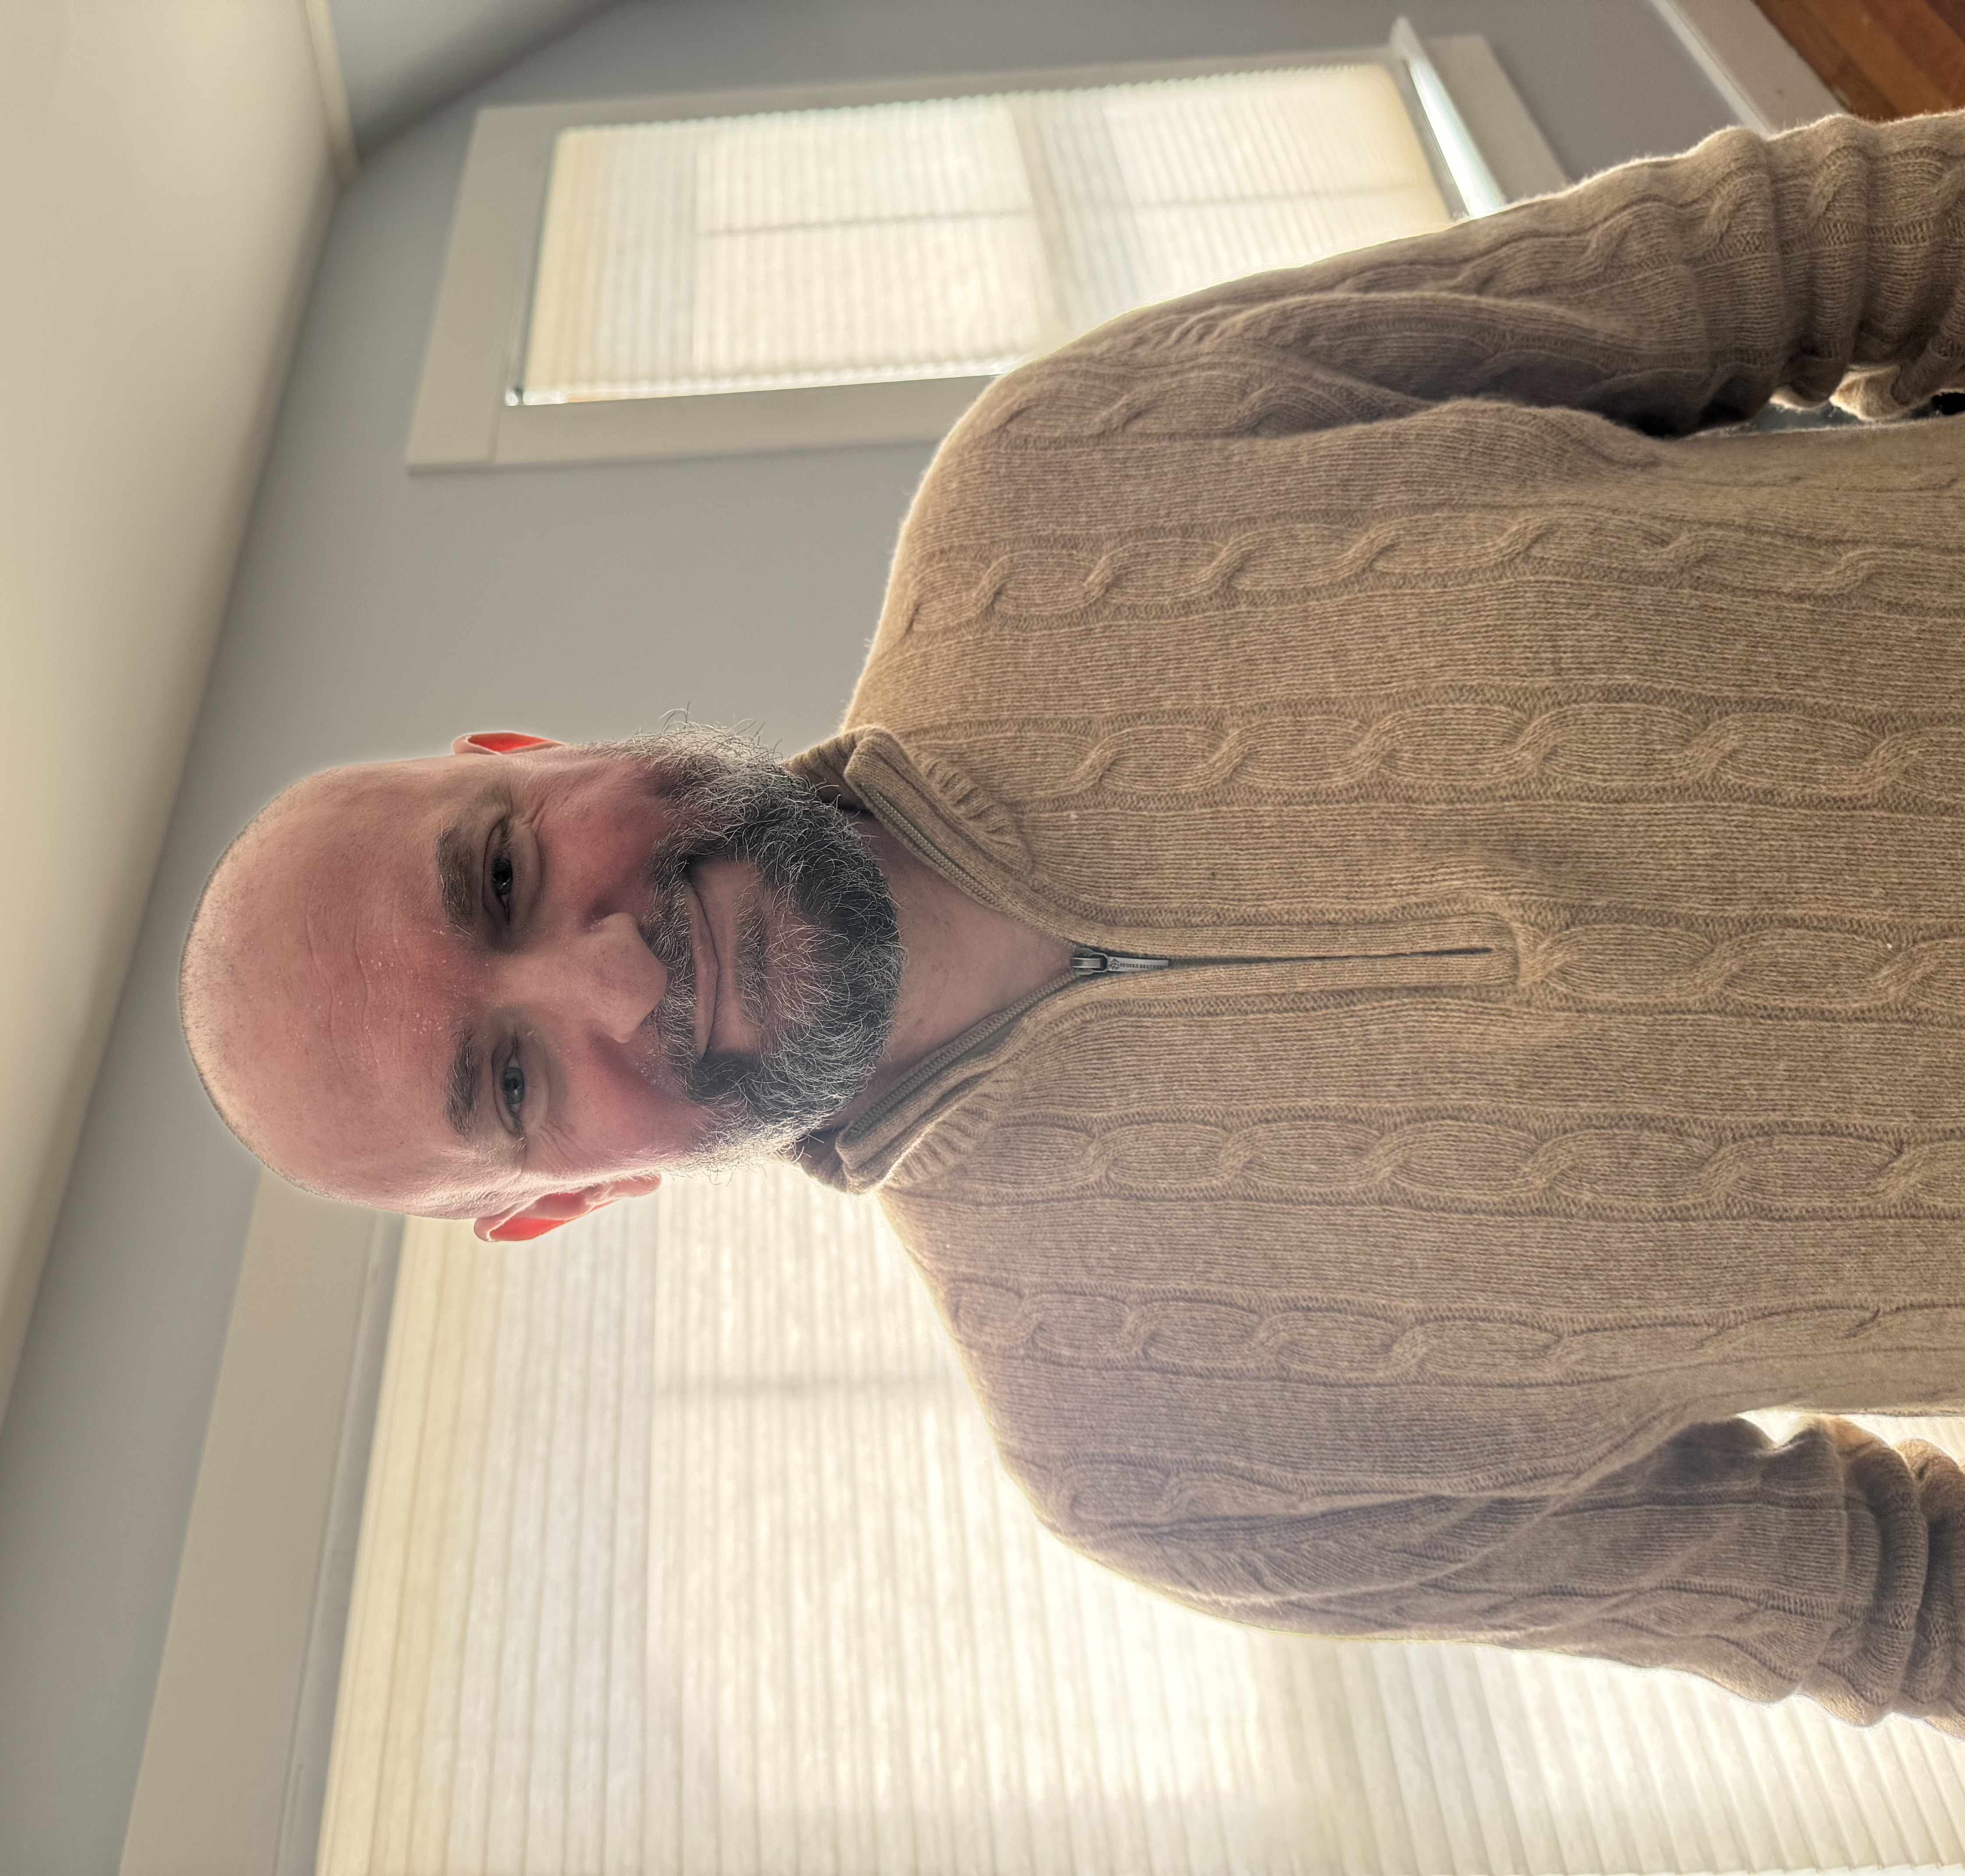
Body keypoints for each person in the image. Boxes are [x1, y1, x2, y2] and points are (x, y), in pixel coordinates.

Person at [180, 109, 1965, 1731]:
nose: (608, 965)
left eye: (497, 875)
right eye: (506, 1083)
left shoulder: (1067, 474)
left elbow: (1812, 248)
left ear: (524, 753)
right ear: (556, 1201)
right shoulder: (1162, 1472)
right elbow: (1894, 1606)